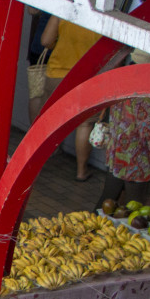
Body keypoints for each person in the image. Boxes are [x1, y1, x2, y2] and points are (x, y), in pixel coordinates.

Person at [41, 16, 101, 181]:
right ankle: (81, 171)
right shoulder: (105, 12)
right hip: (87, 77)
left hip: (57, 73)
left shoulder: (65, 7)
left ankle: (37, 163)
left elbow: (46, 40)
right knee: (85, 124)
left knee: (50, 120)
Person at [99, 52, 150, 206]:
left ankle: (91, 226)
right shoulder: (143, 94)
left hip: (117, 151)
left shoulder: (123, 80)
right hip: (136, 157)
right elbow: (148, 131)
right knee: (133, 206)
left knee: (108, 198)